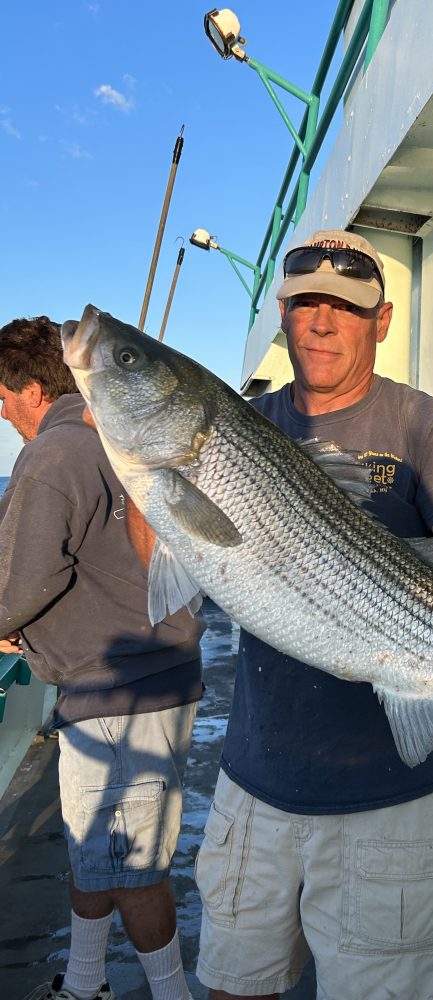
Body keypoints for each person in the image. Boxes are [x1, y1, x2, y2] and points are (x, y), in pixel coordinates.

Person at [195, 231, 433, 1000]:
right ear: (283, 314)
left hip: (389, 800)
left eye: (347, 306)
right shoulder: (241, 426)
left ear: (383, 320)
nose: (325, 322)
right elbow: (165, 560)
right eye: (307, 303)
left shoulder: (427, 425)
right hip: (254, 782)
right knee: (235, 988)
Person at [0, 316, 205, 1000]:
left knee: (132, 868)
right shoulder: (100, 438)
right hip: (146, 680)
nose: (0, 412)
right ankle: (85, 983)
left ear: (31, 390)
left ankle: (172, 993)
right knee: (101, 855)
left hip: (119, 691)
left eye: (0, 396)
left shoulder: (53, 453)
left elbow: (23, 583)